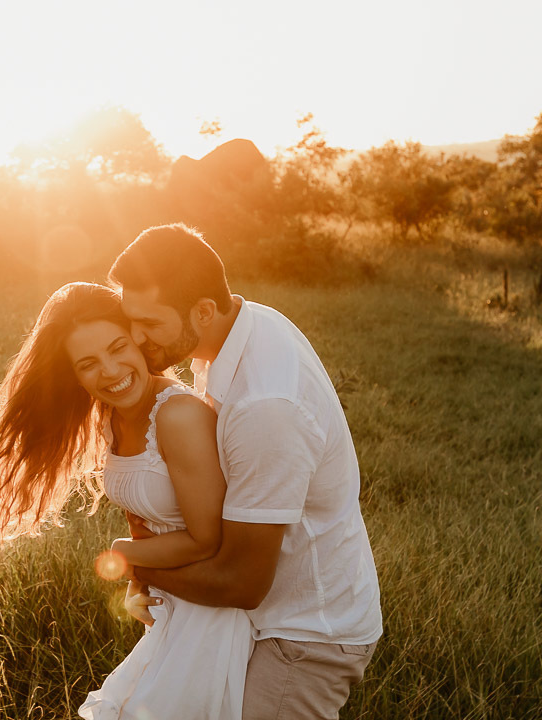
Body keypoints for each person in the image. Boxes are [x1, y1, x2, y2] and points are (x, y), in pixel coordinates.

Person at [108, 223, 383, 719]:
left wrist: (136, 564)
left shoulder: (265, 406)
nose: (135, 337)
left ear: (203, 311)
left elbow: (242, 582)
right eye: (131, 320)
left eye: (150, 323)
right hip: (259, 618)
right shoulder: (241, 325)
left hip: (304, 635)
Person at [0, 282, 253, 720]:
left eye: (118, 347)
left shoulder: (178, 416)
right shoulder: (112, 415)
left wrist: (126, 555)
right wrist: (142, 579)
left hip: (213, 613)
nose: (111, 370)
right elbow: (140, 508)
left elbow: (208, 539)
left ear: (138, 339)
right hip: (176, 601)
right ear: (74, 376)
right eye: (88, 364)